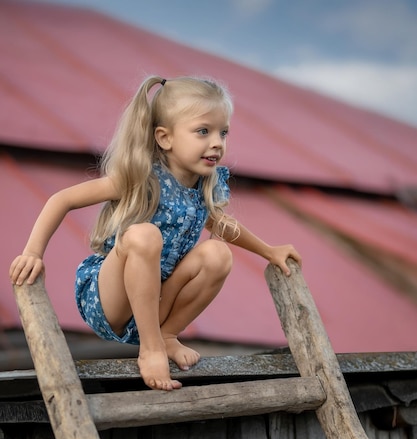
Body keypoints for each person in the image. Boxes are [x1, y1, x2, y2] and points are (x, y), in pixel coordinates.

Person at [9, 75, 301, 391]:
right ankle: (151, 349)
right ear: (165, 137)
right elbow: (61, 199)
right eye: (203, 131)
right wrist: (33, 252)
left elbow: (221, 225)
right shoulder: (140, 176)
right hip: (111, 301)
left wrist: (268, 251)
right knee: (144, 235)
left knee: (218, 253)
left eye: (223, 132)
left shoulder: (205, 185)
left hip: (158, 300)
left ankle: (166, 335)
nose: (217, 142)